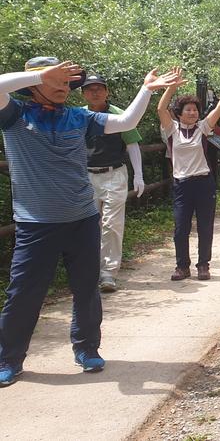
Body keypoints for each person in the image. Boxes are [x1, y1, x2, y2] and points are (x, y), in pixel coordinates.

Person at [0, 58, 179, 386]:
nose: (62, 88)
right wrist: (41, 74)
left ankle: (86, 348)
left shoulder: (78, 116)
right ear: (31, 83)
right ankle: (9, 358)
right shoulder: (14, 115)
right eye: (55, 81)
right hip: (36, 223)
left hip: (82, 218)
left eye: (66, 83)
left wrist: (146, 90)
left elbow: (125, 122)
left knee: (86, 288)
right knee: (24, 293)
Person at [157, 67, 220, 282]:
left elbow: (219, 107)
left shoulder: (203, 128)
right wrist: (170, 88)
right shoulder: (172, 129)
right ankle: (182, 266)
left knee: (205, 226)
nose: (192, 113)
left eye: (195, 110)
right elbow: (161, 109)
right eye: (188, 110)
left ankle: (203, 265)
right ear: (179, 113)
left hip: (204, 183)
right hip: (182, 185)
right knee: (181, 228)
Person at [81, 75, 147, 293]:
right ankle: (90, 270)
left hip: (114, 174)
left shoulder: (119, 115)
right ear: (83, 93)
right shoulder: (78, 116)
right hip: (87, 176)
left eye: (99, 89)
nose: (95, 93)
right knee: (90, 225)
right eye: (90, 89)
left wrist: (139, 175)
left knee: (112, 224)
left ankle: (108, 273)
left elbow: (132, 144)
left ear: (107, 91)